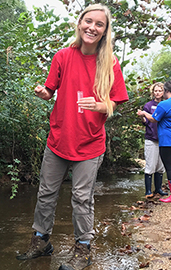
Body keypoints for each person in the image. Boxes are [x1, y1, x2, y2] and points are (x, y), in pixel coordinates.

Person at [15, 4, 128, 270]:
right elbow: (50, 89)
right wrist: (43, 93)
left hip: (90, 143)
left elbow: (117, 100)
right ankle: (41, 242)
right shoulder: (63, 56)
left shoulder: (109, 62)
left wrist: (101, 106)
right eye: (88, 21)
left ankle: (83, 249)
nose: (92, 27)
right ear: (79, 24)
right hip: (58, 139)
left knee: (81, 198)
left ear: (104, 31)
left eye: (99, 24)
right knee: (46, 193)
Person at [137, 80, 171, 203]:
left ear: (166, 91)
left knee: (170, 168)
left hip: (168, 141)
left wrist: (144, 113)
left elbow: (154, 119)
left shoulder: (165, 104)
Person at [138, 82, 167, 198]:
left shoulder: (166, 104)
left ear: (164, 92)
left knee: (160, 166)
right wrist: (142, 116)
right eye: (156, 91)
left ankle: (158, 189)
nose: (157, 93)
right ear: (152, 92)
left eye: (160, 90)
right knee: (150, 165)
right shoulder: (148, 105)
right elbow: (145, 122)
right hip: (151, 137)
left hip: (163, 139)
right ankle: (148, 191)